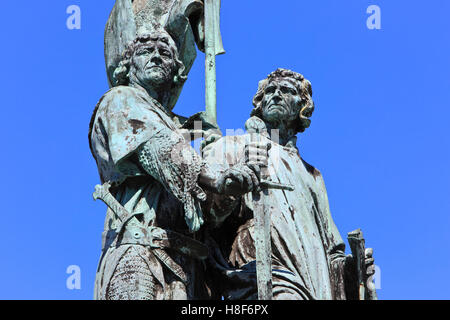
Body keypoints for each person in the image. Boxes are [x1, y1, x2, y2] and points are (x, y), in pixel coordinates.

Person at [89, 29, 260, 300]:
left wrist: (229, 174)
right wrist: (215, 177)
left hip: (188, 267)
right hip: (140, 254)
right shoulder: (120, 100)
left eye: (165, 54)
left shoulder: (186, 127)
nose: (156, 57)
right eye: (146, 52)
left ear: (175, 71)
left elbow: (207, 213)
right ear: (129, 64)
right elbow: (160, 149)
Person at [203, 68, 376, 300]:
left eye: (286, 90)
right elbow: (205, 213)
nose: (275, 95)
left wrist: (353, 270)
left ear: (302, 107)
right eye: (270, 91)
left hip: (313, 278)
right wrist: (236, 182)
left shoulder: (312, 175)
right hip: (260, 267)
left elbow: (332, 251)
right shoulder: (231, 145)